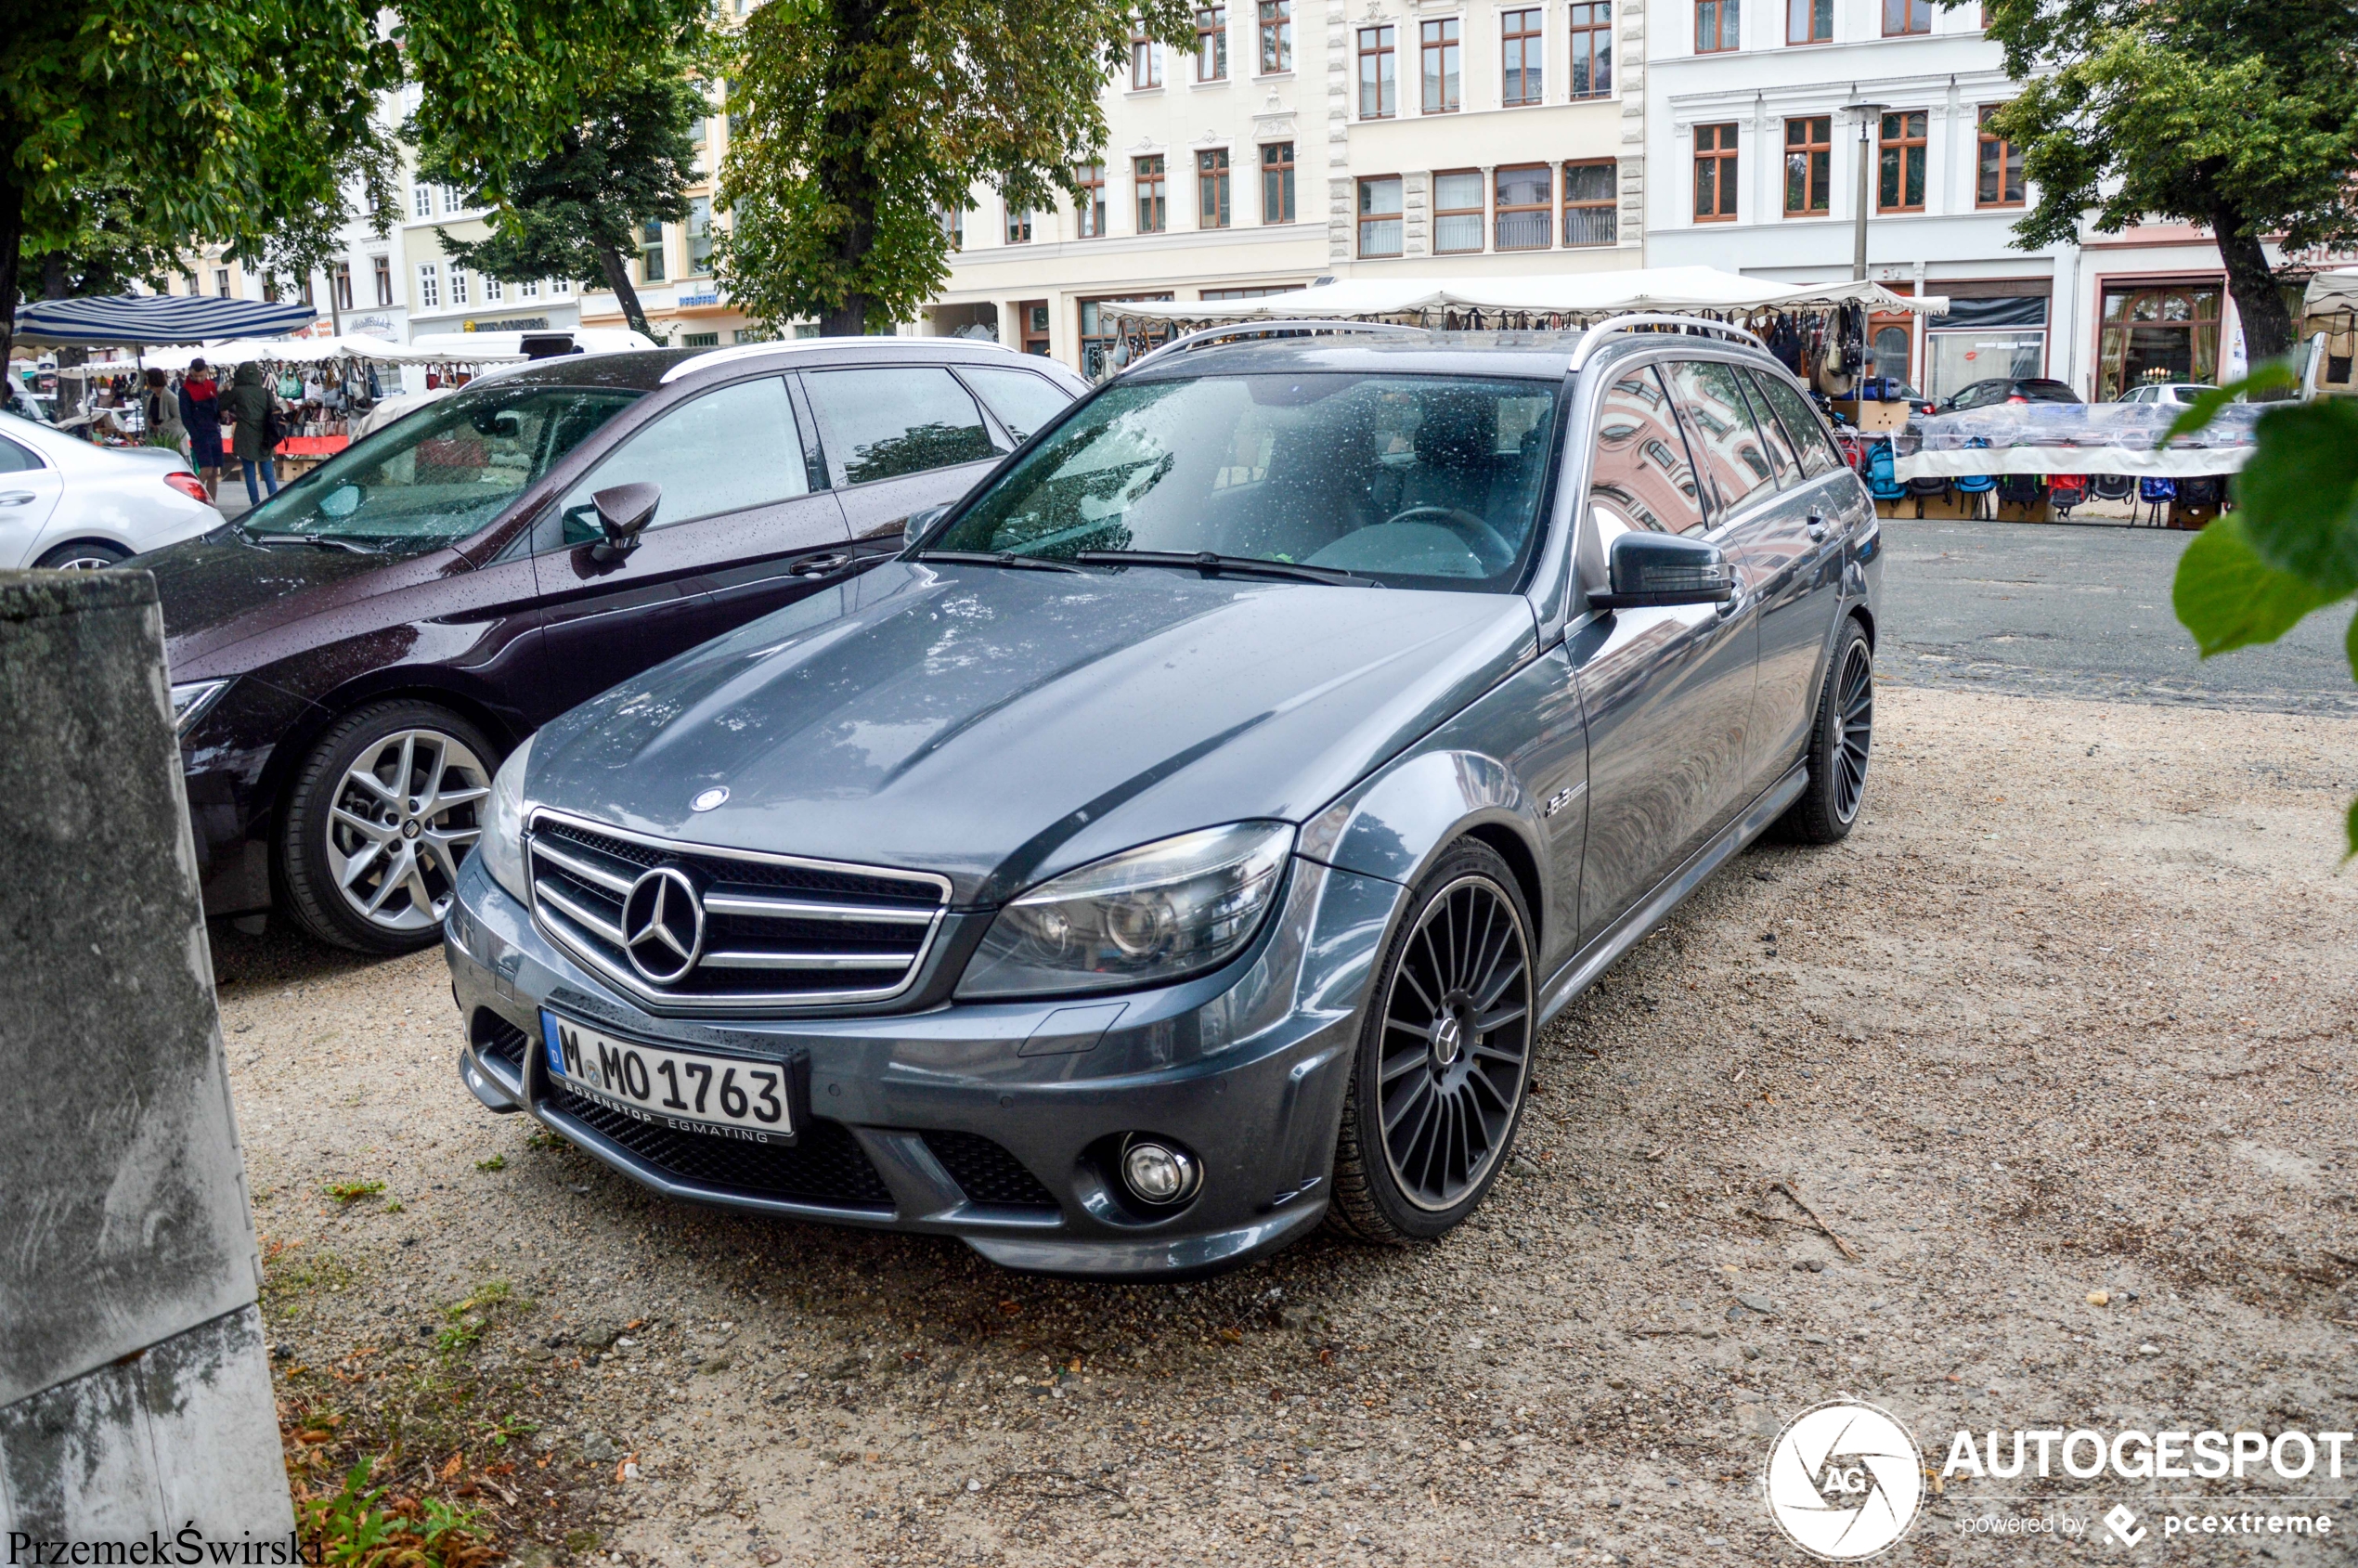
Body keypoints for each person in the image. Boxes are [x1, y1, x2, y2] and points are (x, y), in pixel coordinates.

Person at [217, 362, 283, 507]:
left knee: (250, 474)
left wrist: (226, 392)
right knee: (268, 474)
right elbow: (274, 411)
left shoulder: (237, 391)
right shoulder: (265, 391)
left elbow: (222, 406)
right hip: (265, 436)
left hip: (245, 436)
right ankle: (274, 503)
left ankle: (255, 505)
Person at [177, 360, 225, 499]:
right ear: (190, 372)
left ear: (206, 371)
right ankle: (195, 499)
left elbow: (216, 409)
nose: (198, 379)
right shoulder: (185, 391)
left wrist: (222, 415)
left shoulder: (212, 385)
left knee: (215, 471)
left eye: (201, 376)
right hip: (200, 433)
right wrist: (195, 434)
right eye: (195, 376)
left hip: (214, 431)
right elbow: (186, 417)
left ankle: (212, 503)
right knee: (206, 469)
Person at [141, 368, 187, 457]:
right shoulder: (151, 397)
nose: (146, 382)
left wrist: (160, 428)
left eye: (147, 379)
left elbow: (179, 418)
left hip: (171, 439)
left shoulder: (170, 397)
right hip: (157, 439)